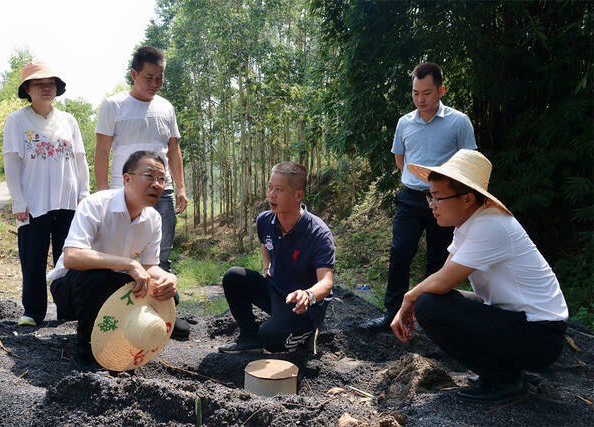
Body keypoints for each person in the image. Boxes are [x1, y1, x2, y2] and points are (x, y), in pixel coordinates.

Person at [390, 149, 568, 401]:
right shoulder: (470, 222)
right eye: (431, 196)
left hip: (540, 336)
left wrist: (408, 298)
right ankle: (500, 372)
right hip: (519, 323)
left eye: (438, 198)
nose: (431, 205)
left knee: (429, 305)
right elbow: (444, 274)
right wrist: (412, 297)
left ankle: (503, 379)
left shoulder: (490, 225)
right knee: (432, 299)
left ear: (467, 199)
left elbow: (441, 283)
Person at [361, 62, 477, 331]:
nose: (420, 99)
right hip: (411, 197)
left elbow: (468, 162)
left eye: (426, 93)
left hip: (446, 200)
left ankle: (430, 316)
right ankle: (392, 312)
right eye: (416, 93)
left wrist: (448, 194)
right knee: (400, 251)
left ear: (441, 91)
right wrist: (415, 183)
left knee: (440, 257)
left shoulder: (458, 122)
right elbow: (401, 160)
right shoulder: (404, 123)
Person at [47, 151, 178, 369]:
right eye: (150, 176)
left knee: (166, 292)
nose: (157, 185)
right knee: (97, 278)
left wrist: (169, 278)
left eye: (161, 179)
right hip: (72, 288)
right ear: (127, 178)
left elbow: (150, 267)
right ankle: (87, 351)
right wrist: (128, 264)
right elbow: (72, 257)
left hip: (111, 286)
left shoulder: (153, 219)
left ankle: (122, 343)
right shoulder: (96, 204)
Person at [95, 45, 189, 338]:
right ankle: (115, 313)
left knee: (160, 255)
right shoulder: (114, 106)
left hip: (162, 192)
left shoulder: (166, 107)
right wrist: (102, 195)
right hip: (123, 193)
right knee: (118, 255)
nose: (154, 84)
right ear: (134, 74)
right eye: (148, 77)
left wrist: (181, 186)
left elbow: (174, 150)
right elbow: (101, 151)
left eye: (159, 78)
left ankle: (163, 314)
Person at [3, 61, 90, 327]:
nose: (46, 88)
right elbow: (12, 163)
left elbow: (80, 159)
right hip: (33, 202)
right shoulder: (17, 121)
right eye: (39, 84)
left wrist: (83, 194)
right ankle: (33, 311)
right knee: (33, 258)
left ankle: (67, 310)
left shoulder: (68, 120)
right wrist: (18, 199)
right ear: (27, 89)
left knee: (69, 258)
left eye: (50, 83)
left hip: (67, 201)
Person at [219, 162, 335, 354]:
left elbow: (326, 282)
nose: (271, 194)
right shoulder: (265, 220)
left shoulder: (318, 233)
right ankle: (249, 337)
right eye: (270, 187)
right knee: (234, 277)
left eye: (279, 190)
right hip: (276, 290)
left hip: (303, 305)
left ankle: (306, 334)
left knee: (270, 338)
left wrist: (308, 295)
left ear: (298, 195)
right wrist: (267, 268)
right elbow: (266, 244)